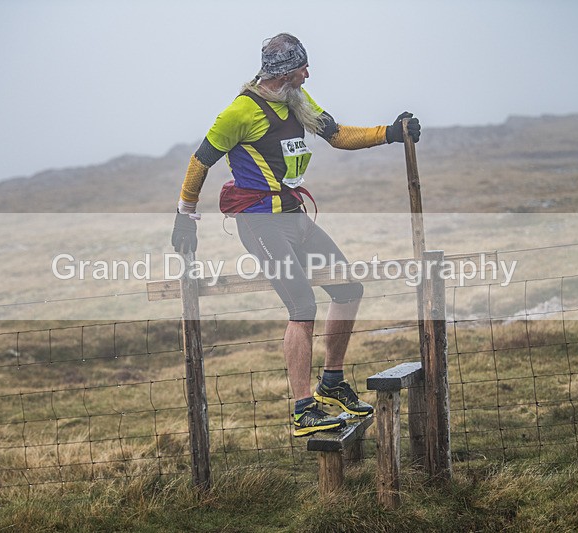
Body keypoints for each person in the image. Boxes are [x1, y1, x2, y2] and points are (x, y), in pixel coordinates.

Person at [171, 33, 421, 435]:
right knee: (302, 306)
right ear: (285, 73)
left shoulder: (297, 102)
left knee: (347, 288)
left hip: (294, 216)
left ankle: (332, 383)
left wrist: (390, 133)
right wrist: (185, 216)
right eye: (303, 67)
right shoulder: (239, 112)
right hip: (259, 221)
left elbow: (338, 135)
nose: (309, 73)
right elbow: (200, 161)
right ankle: (303, 408)